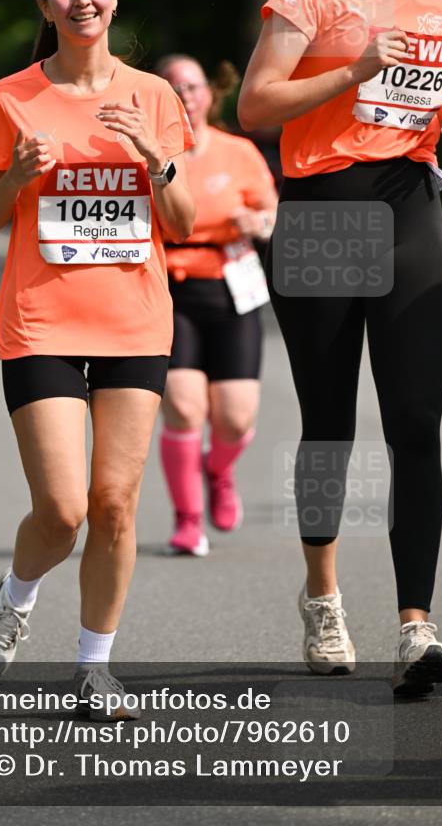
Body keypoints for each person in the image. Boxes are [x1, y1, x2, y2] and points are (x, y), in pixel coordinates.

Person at [238, 0, 442, 695]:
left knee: (415, 423)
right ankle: (324, 597)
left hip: (411, 207)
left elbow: (434, 88)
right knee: (329, 422)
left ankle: (416, 624)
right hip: (323, 211)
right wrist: (352, 69)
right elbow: (254, 103)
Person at [0, 0, 194, 714]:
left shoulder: (155, 96)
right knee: (62, 509)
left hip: (133, 325)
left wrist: (154, 160)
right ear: (45, 7)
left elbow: (182, 220)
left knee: (115, 504)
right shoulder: (10, 97)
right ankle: (15, 595)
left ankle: (93, 666)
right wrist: (21, 177)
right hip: (42, 324)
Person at [156, 55, 277, 557]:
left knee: (234, 418)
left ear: (209, 93)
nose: (185, 93)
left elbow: (270, 213)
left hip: (233, 286)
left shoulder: (239, 151)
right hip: (170, 286)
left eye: (193, 84)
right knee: (184, 407)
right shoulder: (147, 154)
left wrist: (260, 222)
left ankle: (218, 471)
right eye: (173, 86)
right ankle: (187, 520)